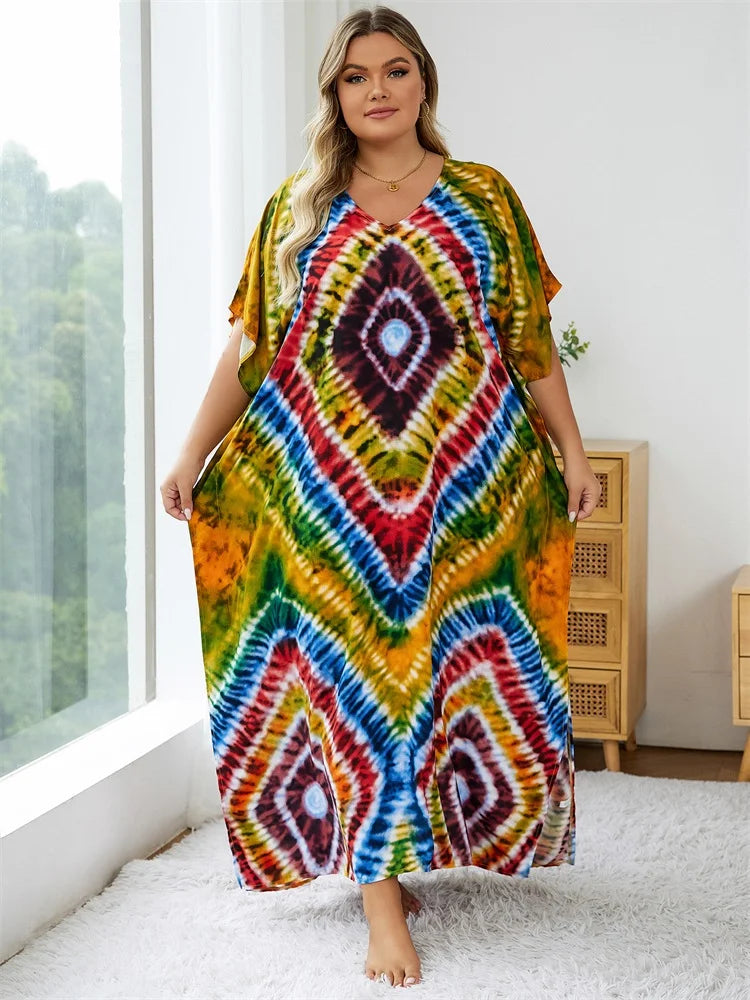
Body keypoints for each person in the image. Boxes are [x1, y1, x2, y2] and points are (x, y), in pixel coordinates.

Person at [160, 4, 601, 990]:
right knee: (362, 682)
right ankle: (379, 899)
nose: (377, 90)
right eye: (356, 76)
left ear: (424, 81)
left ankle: (404, 854)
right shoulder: (299, 208)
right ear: (335, 94)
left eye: (395, 70)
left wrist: (572, 449)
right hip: (330, 493)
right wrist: (194, 450)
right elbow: (251, 347)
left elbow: (529, 343)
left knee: (438, 674)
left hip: (463, 487)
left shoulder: (486, 198)